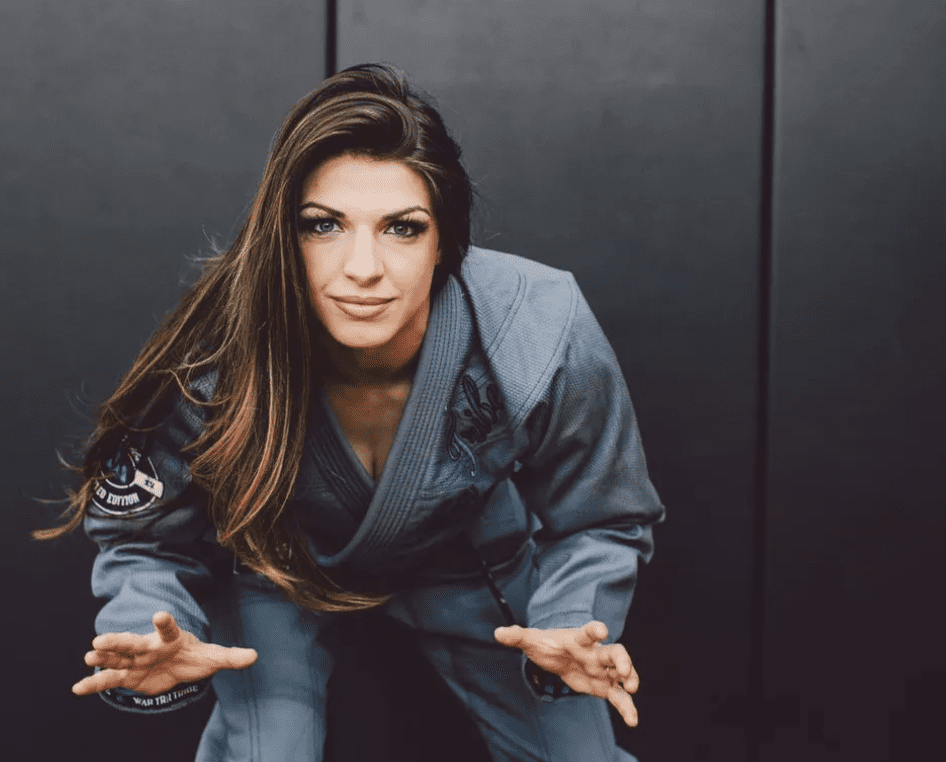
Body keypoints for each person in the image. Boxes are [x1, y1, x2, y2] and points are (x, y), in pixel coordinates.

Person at [39, 63, 664, 762]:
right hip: (278, 567)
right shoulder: (218, 349)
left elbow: (604, 515)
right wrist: (148, 622)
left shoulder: (538, 328)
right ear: (284, 235)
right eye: (323, 225)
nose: (362, 267)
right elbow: (142, 536)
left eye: (402, 227)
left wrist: (575, 620)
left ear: (445, 245)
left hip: (471, 559)